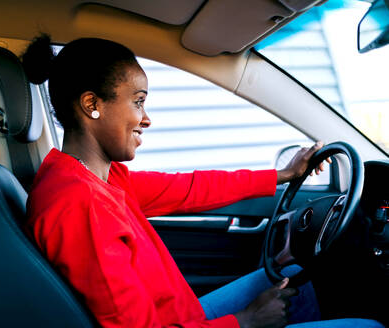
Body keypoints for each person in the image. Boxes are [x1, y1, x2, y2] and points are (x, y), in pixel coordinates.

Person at [23, 35, 383, 328]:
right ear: (92, 104)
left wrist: (282, 175)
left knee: (295, 278)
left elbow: (190, 188)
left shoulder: (97, 178)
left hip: (185, 317)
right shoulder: (78, 204)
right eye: (138, 101)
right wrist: (245, 322)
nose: (146, 119)